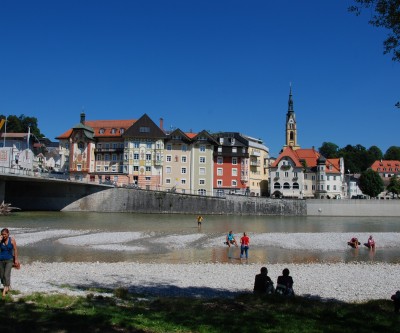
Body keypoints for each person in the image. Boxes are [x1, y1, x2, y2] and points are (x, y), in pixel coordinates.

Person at [0, 228, 19, 297]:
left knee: (6, 274)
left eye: (5, 234)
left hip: (9, 260)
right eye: (2, 234)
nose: (4, 236)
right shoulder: (1, 241)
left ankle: (5, 289)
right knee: (1, 276)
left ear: (8, 234)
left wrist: (16, 259)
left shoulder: (12, 240)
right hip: (1, 260)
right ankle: (7, 285)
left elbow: (15, 249)